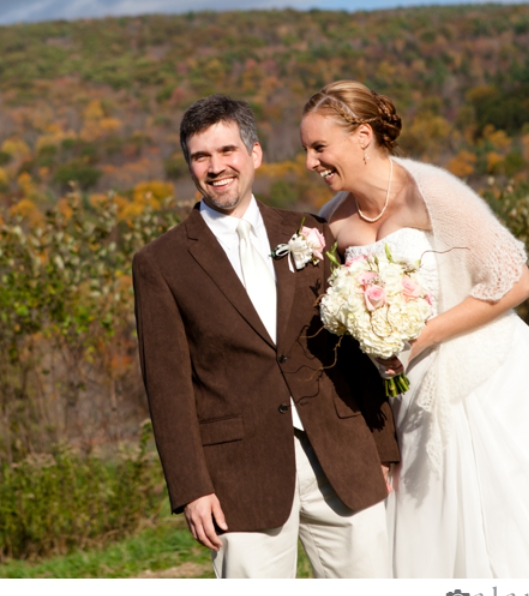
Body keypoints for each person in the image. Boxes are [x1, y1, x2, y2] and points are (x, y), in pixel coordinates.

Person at [300, 80, 529, 578]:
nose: (311, 162)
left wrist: (417, 339)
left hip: (484, 377)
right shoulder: (330, 222)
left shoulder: (431, 193)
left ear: (362, 136)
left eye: (320, 147)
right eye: (307, 150)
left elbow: (515, 281)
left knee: (506, 518)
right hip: (406, 394)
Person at [132, 94, 399, 579]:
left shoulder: (309, 230)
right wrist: (192, 488)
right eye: (201, 156)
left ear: (254, 154)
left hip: (343, 456)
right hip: (239, 474)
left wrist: (383, 447)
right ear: (190, 166)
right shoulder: (160, 263)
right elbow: (167, 387)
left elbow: (351, 343)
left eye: (227, 151)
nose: (216, 167)